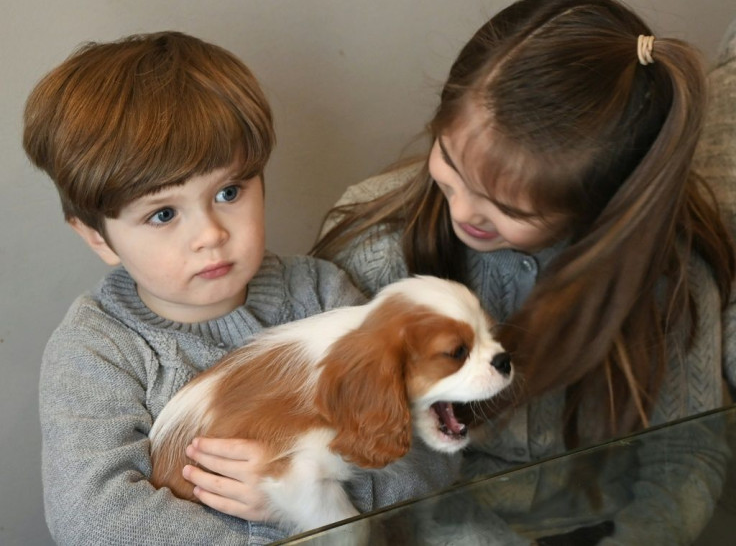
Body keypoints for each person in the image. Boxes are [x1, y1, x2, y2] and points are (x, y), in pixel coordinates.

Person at [313, 0, 736, 542]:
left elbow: (685, 454)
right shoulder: (372, 252)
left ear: (601, 209)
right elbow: (364, 460)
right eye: (448, 161)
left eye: (509, 211)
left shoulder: (670, 275)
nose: (462, 210)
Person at [23, 31, 457, 545]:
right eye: (163, 213)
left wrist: (311, 500)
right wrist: (263, 532)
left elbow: (432, 460)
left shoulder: (320, 294)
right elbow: (93, 520)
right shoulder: (95, 349)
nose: (210, 234)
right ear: (98, 236)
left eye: (229, 191)